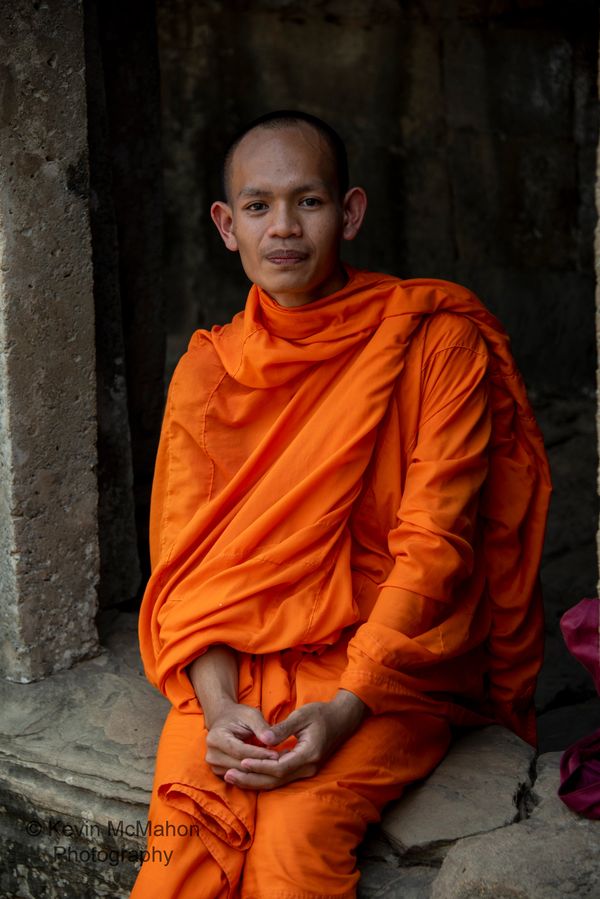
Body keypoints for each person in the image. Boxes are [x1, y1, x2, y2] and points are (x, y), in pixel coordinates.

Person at [131, 110, 551, 898]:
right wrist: (218, 711)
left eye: (309, 202)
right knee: (174, 860)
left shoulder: (432, 341)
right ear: (226, 225)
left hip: (387, 663)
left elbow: (435, 543)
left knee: (292, 850)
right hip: (239, 666)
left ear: (349, 212)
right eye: (258, 206)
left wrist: (348, 709)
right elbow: (191, 570)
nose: (283, 228)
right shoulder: (207, 373)